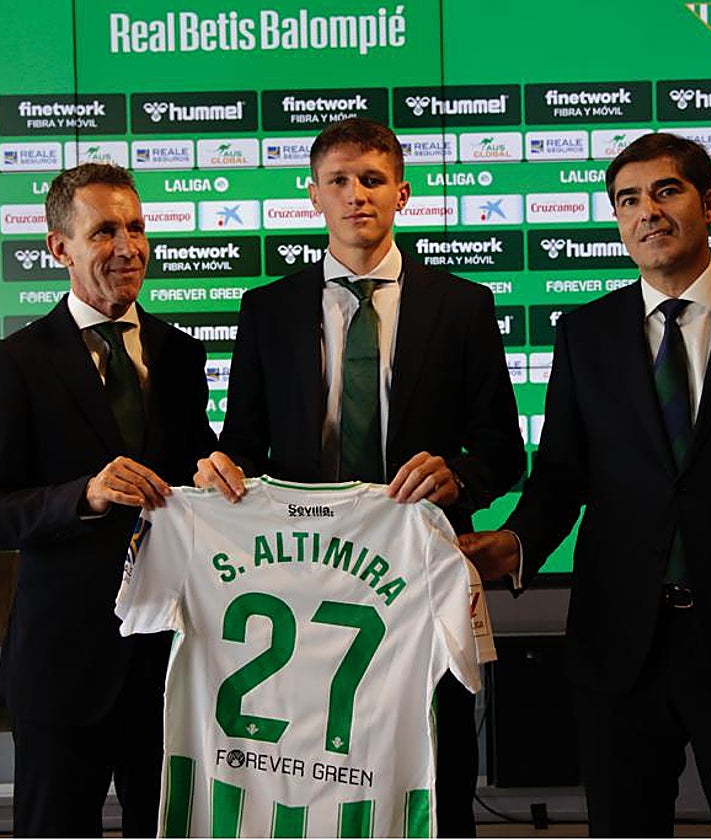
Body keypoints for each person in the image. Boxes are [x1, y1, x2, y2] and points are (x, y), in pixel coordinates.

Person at [459, 133, 711, 836]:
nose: (647, 211)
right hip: (618, 647)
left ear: (709, 204)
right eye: (628, 199)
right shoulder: (583, 333)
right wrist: (515, 543)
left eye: (666, 191)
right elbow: (563, 476)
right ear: (617, 221)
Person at [194, 117, 525, 835]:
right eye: (339, 181)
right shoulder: (268, 309)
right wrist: (224, 470)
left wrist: (458, 478)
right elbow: (245, 444)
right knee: (313, 770)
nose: (356, 196)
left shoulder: (463, 306)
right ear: (311, 195)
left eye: (372, 180)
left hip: (419, 579)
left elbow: (505, 450)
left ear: (402, 192)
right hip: (302, 584)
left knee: (434, 772)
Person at [0, 163, 217, 836]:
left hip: (171, 660)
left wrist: (221, 474)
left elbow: (193, 472)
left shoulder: (181, 355)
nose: (128, 248)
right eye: (104, 231)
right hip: (62, 665)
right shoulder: (12, 364)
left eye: (136, 227)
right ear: (58, 247)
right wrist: (87, 495)